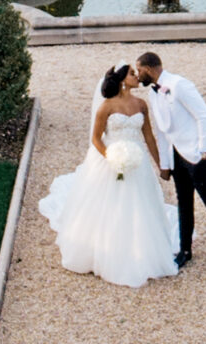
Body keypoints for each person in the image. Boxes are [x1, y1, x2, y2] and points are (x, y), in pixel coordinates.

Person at [35, 65, 180, 288]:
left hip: (138, 164)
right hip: (111, 162)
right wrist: (111, 156)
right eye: (132, 73)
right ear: (122, 80)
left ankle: (142, 251)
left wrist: (162, 165)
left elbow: (149, 137)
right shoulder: (106, 107)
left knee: (140, 205)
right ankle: (108, 252)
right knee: (111, 206)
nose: (136, 76)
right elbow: (96, 138)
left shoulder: (141, 105)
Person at [137, 51, 206, 272]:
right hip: (176, 156)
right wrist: (165, 163)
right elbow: (162, 130)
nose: (138, 75)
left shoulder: (180, 85)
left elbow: (203, 115)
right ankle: (185, 250)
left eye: (140, 70)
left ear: (150, 68)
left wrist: (204, 150)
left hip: (196, 154)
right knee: (184, 203)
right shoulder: (153, 93)